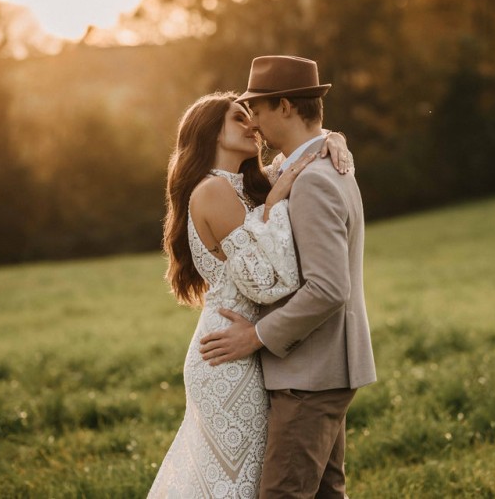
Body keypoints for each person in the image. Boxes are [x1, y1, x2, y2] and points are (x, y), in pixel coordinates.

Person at [148, 90, 352, 498]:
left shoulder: (243, 186)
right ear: (212, 133)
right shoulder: (213, 191)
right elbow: (267, 283)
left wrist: (334, 138)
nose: (253, 124)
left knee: (257, 479)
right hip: (229, 357)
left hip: (248, 349)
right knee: (240, 484)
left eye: (252, 116)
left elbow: (303, 151)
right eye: (238, 118)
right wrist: (275, 204)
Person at [199, 56, 377, 498]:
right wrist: (333, 137)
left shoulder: (314, 178)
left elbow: (329, 288)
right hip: (320, 370)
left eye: (256, 109)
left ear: (283, 106)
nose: (253, 123)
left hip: (309, 373)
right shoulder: (307, 163)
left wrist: (255, 336)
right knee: (325, 493)